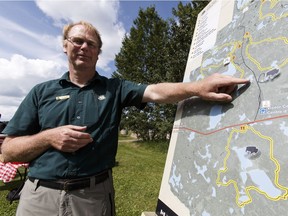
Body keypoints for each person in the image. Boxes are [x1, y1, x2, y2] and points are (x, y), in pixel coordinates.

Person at [1, 20, 249, 216]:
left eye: (91, 44)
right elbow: (10, 150)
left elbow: (154, 91)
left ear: (98, 53)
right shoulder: (41, 92)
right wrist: (48, 137)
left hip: (93, 197)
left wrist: (197, 87)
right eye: (77, 41)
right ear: (65, 45)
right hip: (39, 197)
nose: (84, 47)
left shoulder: (115, 88)